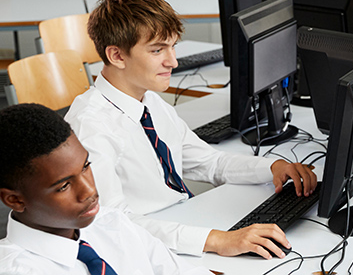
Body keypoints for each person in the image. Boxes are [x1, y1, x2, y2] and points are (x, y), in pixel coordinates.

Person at [64, 0, 318, 258]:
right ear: (117, 56)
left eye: (173, 47)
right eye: (157, 50)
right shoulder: (90, 127)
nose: (172, 61)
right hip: (147, 249)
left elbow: (209, 162)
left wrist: (273, 167)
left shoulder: (149, 101)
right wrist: (216, 240)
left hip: (181, 224)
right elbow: (112, 223)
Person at [0, 103, 211, 274]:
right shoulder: (17, 270)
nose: (89, 191)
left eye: (85, 166)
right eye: (64, 186)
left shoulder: (111, 223)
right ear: (14, 200)